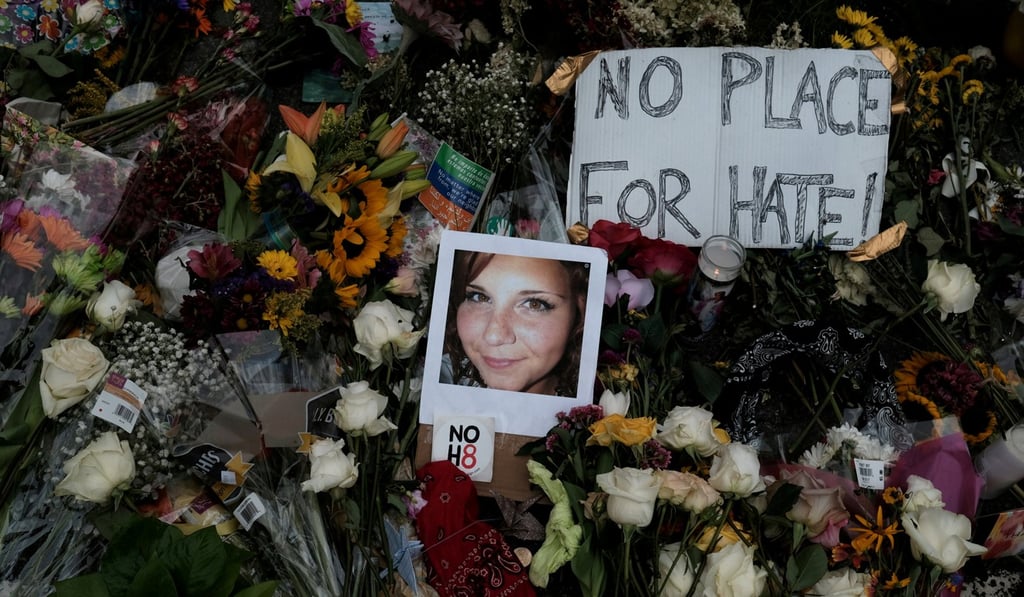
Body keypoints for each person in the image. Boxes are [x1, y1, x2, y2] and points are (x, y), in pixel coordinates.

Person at [443, 250, 589, 396]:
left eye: (534, 304)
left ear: (579, 311)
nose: (494, 336)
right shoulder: (436, 378)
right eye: (479, 297)